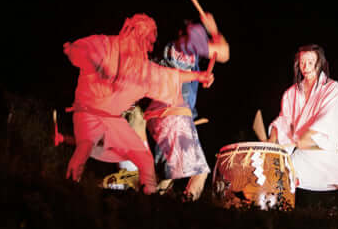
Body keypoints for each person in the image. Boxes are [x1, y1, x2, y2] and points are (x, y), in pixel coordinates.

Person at [63, 13, 213, 194]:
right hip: (88, 113)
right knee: (85, 146)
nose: (150, 48)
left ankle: (149, 198)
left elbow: (168, 76)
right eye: (149, 41)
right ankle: (69, 188)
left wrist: (198, 76)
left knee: (145, 159)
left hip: (112, 120)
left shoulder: (142, 69)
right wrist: (74, 50)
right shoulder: (105, 45)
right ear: (138, 33)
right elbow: (82, 50)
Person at [264, 44, 338, 220]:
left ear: (319, 63)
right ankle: (275, 228)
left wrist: (306, 137)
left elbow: (326, 117)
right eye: (302, 62)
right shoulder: (291, 93)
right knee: (275, 186)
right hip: (302, 156)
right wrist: (272, 141)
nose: (306, 67)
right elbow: (283, 120)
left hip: (326, 153)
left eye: (310, 62)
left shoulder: (332, 88)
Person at [145, 12, 230, 201]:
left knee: (167, 176)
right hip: (170, 116)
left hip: (166, 116)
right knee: (199, 172)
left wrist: (201, 77)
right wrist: (213, 30)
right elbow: (224, 53)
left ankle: (152, 207)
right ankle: (189, 210)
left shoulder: (184, 53)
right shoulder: (180, 46)